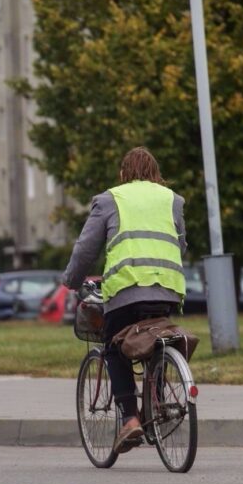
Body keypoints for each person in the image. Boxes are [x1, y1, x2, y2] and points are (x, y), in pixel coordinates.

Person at [62, 146, 186, 454]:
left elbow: (85, 250)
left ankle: (130, 419)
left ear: (123, 174)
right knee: (158, 341)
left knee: (114, 346)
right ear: (156, 174)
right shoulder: (173, 200)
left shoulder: (109, 200)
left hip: (127, 290)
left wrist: (72, 281)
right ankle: (156, 408)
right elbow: (180, 245)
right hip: (167, 288)